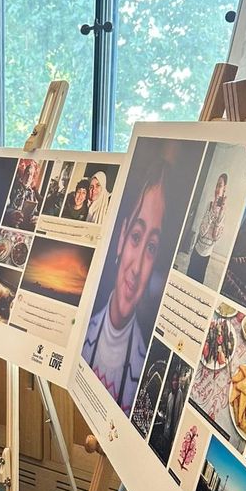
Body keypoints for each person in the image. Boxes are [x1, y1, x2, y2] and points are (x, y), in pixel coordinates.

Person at [83, 164, 167, 414]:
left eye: (151, 247)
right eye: (136, 237)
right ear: (121, 239)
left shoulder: (145, 374)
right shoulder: (81, 332)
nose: (138, 267)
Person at [187, 173, 228, 284]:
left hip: (206, 254)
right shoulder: (209, 205)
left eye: (220, 186)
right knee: (188, 280)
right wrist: (212, 211)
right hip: (197, 250)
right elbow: (202, 231)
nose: (216, 189)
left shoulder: (223, 212)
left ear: (225, 189)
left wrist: (219, 214)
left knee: (198, 283)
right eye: (216, 185)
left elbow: (216, 237)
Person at [4, 159, 42, 231]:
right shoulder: (13, 188)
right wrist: (11, 213)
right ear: (22, 173)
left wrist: (36, 219)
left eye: (31, 174)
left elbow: (34, 213)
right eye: (27, 173)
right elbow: (3, 207)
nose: (28, 177)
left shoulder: (32, 194)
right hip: (9, 225)